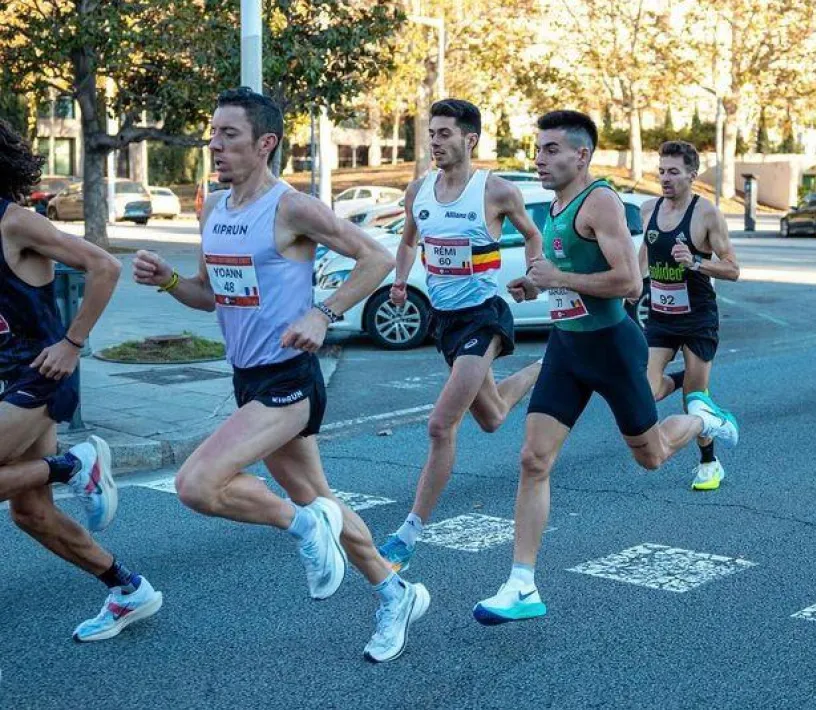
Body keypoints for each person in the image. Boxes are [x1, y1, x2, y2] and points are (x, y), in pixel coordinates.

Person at [132, 88, 427, 663]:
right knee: (318, 496)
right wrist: (168, 281)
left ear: (264, 143)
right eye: (212, 132)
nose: (214, 144)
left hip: (289, 378)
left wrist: (323, 313)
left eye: (229, 134)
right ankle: (396, 591)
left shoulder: (291, 208)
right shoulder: (215, 208)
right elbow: (209, 295)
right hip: (247, 377)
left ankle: (303, 527)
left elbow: (375, 257)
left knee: (198, 484)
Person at [472, 110, 740, 625]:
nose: (539, 157)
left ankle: (704, 420)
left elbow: (627, 284)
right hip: (568, 351)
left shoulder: (601, 202)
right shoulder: (555, 202)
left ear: (581, 155)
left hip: (614, 349)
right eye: (538, 148)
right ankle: (522, 585)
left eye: (551, 149)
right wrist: (540, 284)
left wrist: (562, 280)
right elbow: (571, 271)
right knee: (533, 459)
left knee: (652, 456)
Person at [0, 118, 163, 641]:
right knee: (30, 513)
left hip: (39, 372)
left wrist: (72, 344)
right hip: (10, 379)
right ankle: (127, 589)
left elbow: (103, 266)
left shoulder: (15, 222)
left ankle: (75, 463)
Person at [378, 99, 543, 572]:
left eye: (445, 133)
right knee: (490, 416)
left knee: (439, 425)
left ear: (469, 139)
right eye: (431, 133)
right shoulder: (419, 191)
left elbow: (532, 234)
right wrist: (399, 280)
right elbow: (409, 240)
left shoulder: (495, 191)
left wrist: (532, 275)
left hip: (484, 318)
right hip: (446, 323)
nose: (435, 141)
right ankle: (547, 366)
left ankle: (408, 535)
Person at [638, 140, 741, 490]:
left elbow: (733, 269)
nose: (665, 178)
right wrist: (633, 289)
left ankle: (710, 464)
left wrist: (695, 262)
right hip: (660, 317)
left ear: (692, 176)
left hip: (697, 316)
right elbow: (645, 254)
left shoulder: (707, 213)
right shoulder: (647, 209)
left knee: (695, 403)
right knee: (646, 392)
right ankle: (688, 377)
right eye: (662, 171)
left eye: (674, 172)